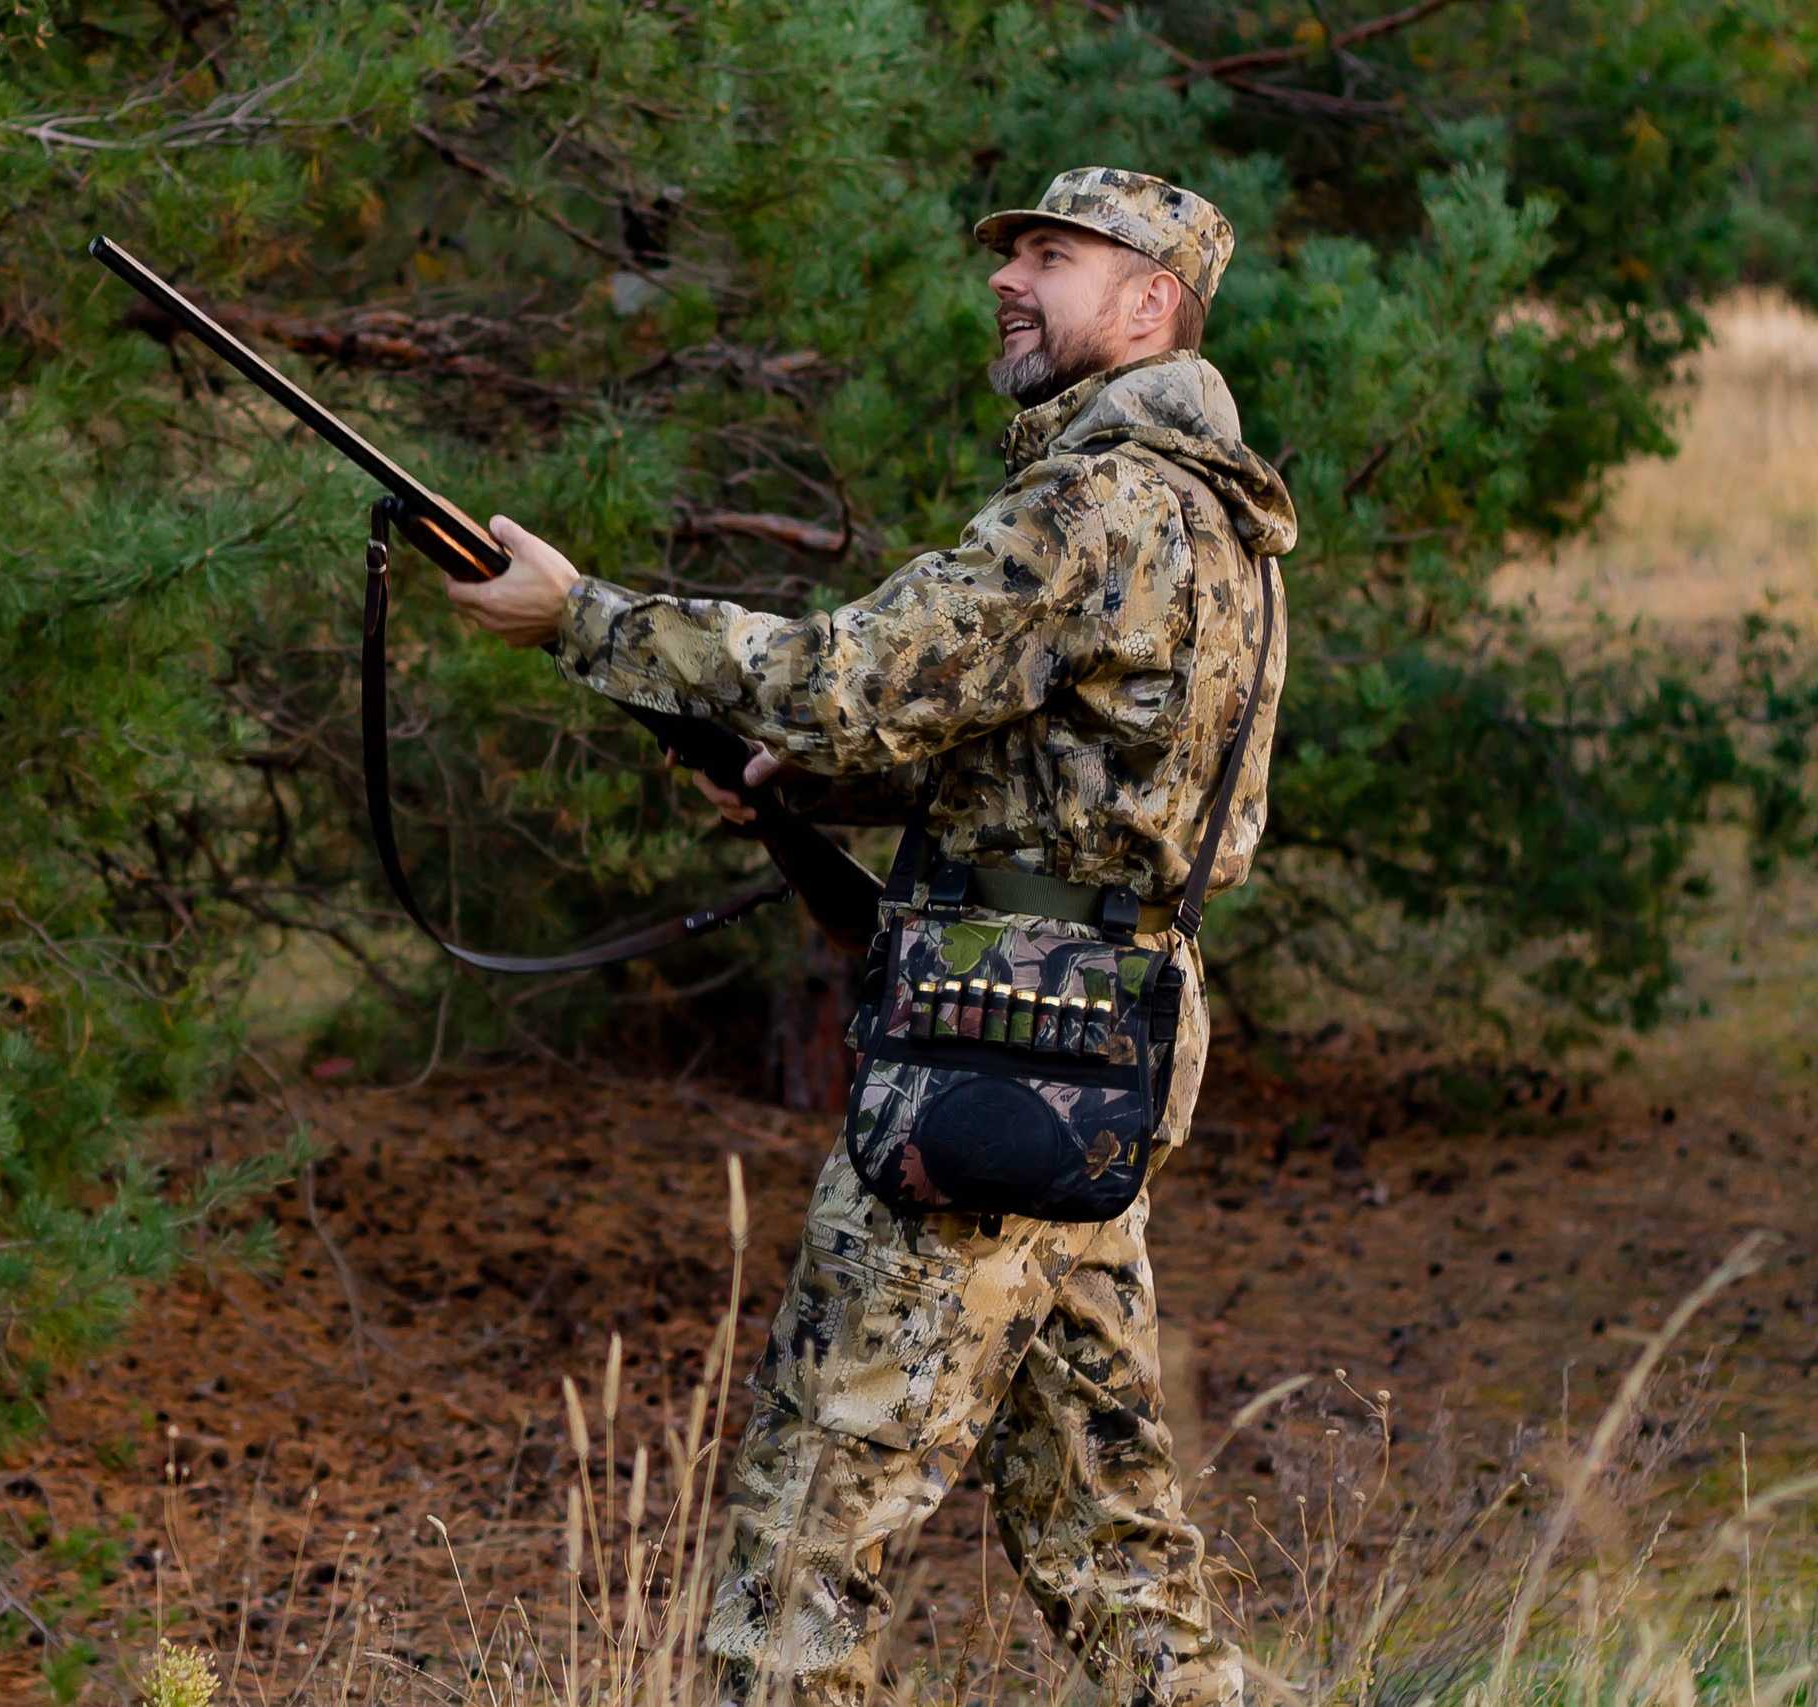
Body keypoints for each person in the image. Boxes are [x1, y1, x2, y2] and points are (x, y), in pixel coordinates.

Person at [448, 167, 1295, 1707]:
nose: (1010, 280)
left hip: (990, 1071)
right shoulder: (1219, 519)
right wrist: (809, 786)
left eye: (1055, 256)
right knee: (1120, 1556)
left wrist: (584, 617)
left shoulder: (1093, 506)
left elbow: (850, 673)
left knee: (805, 1539)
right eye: (1013, 254)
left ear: (1154, 302)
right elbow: (1086, 783)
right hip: (1092, 1058)